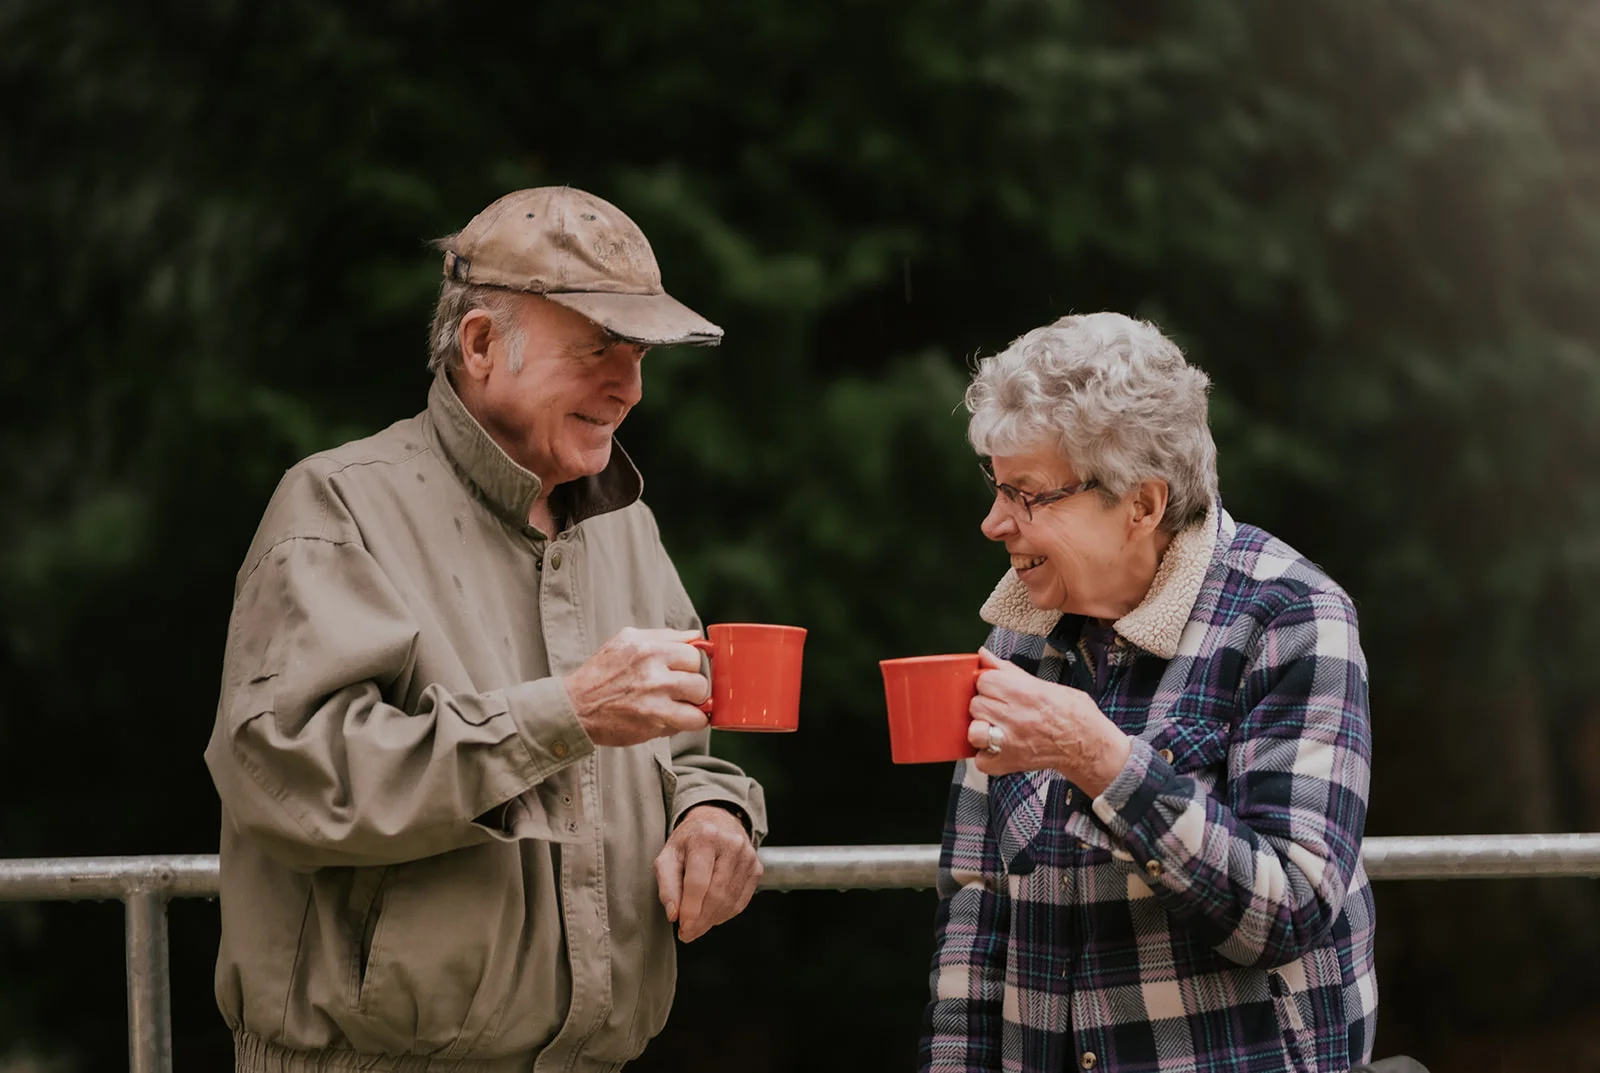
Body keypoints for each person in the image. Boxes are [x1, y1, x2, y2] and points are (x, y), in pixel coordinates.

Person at [205, 186, 767, 1073]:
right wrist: (562, 716)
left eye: (641, 353)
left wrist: (715, 810)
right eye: (597, 349)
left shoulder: (627, 525)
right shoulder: (337, 505)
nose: (629, 386)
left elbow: (682, 740)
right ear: (477, 345)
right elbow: (288, 775)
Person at [919, 312, 1380, 1073]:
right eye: (997, 487)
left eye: (1029, 494)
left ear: (1142, 503)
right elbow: (974, 898)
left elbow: (1288, 909)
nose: (993, 521)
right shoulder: (1017, 634)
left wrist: (1101, 758)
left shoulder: (1293, 616)